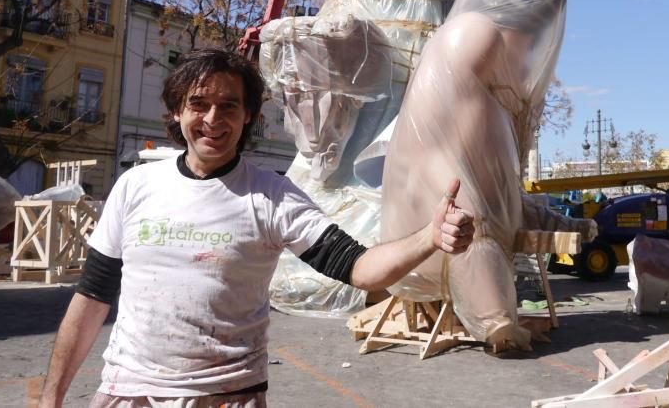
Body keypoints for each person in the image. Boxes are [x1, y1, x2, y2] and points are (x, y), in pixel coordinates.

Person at [37, 49, 474, 408]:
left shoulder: (272, 196)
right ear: (176, 113)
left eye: (229, 105)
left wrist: (428, 238)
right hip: (129, 394)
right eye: (199, 104)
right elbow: (92, 297)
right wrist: (51, 396)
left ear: (248, 117)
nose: (213, 118)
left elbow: (359, 267)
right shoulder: (135, 186)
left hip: (227, 395)